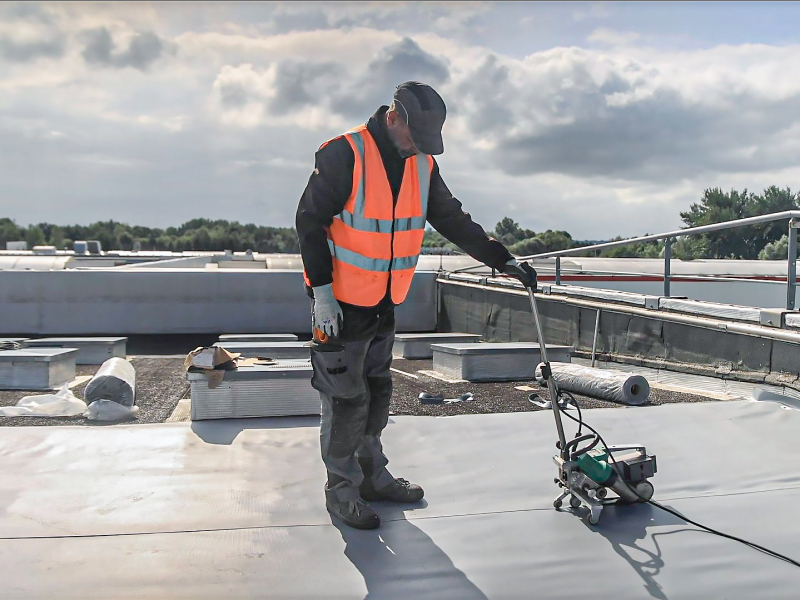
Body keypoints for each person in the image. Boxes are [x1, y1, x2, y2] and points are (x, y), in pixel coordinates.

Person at [296, 81, 522, 530]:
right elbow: (309, 220)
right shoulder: (344, 153)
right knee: (344, 402)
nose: (418, 148)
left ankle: (372, 479)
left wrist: (502, 258)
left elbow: (451, 218)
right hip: (338, 304)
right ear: (393, 117)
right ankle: (340, 492)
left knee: (377, 392)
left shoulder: (422, 163)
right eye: (413, 138)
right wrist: (321, 291)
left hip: (383, 301)